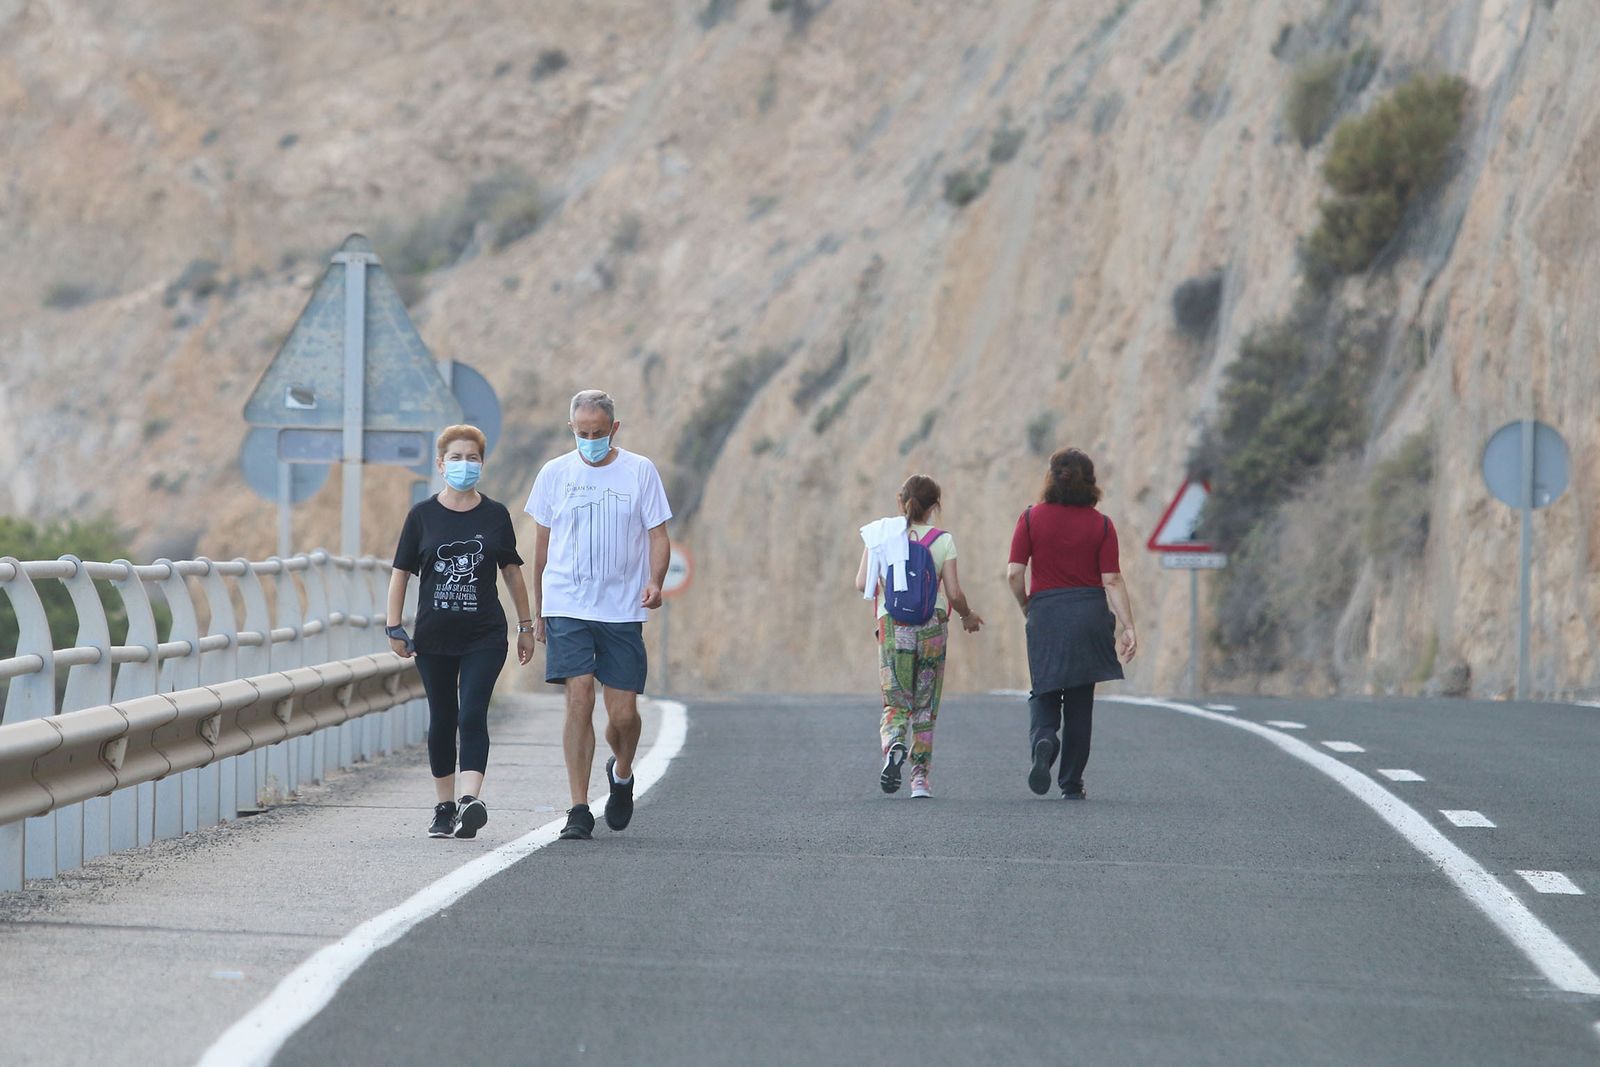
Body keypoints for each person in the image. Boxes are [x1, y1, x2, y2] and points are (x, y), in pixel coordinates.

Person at [526, 390, 671, 841]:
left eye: (598, 433)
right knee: (579, 696)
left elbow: (658, 535)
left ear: (614, 429)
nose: (590, 441)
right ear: (572, 429)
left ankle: (622, 772)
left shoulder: (640, 472)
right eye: (582, 433)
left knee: (624, 714)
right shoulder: (554, 474)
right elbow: (542, 549)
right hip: (568, 603)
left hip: (622, 608)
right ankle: (578, 807)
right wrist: (539, 611)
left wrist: (656, 581)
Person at [386, 424, 536, 839]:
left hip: (484, 636)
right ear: (440, 463)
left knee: (472, 713)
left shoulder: (495, 515)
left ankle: (470, 800)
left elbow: (512, 573)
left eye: (472, 458)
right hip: (433, 637)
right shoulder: (422, 516)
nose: (464, 465)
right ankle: (443, 806)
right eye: (456, 458)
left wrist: (526, 626)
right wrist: (394, 625)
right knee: (443, 718)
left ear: (482, 464)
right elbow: (400, 573)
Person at [1007, 448, 1136, 800]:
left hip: (1047, 612)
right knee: (1080, 700)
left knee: (1045, 688)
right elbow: (1112, 580)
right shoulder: (1102, 525)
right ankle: (1071, 783)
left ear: (1050, 479)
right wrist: (1128, 626)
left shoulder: (1031, 519)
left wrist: (1027, 606)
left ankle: (1045, 738)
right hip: (1089, 615)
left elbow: (1014, 573)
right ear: (1090, 483)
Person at [855, 475, 983, 799]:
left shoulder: (880, 535)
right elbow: (953, 592)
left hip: (893, 626)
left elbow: (861, 584)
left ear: (901, 502)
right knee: (925, 704)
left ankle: (894, 742)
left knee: (896, 700)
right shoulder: (943, 540)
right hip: (932, 625)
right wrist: (967, 616)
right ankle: (920, 780)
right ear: (935, 506)